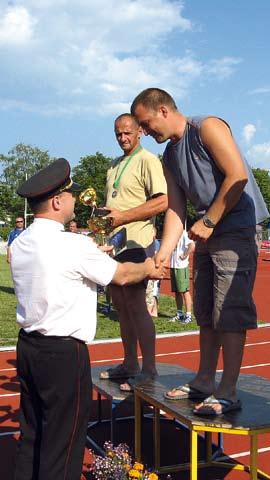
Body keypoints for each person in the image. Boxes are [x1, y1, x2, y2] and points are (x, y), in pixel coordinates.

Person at [11, 158, 164, 480]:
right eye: (70, 196)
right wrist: (149, 267)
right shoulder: (73, 244)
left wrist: (94, 254)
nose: (75, 201)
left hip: (28, 348)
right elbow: (121, 275)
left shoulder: (23, 241)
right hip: (63, 354)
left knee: (33, 434)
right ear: (56, 201)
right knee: (63, 444)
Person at [131, 88, 268, 415]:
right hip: (207, 234)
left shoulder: (207, 127)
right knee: (206, 310)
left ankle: (228, 389)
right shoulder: (169, 157)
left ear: (163, 110)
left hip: (234, 228)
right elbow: (176, 210)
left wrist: (209, 219)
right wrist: (163, 253)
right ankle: (205, 379)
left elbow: (237, 175)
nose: (145, 133)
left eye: (146, 124)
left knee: (230, 312)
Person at [100, 113, 168, 392]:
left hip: (138, 244)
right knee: (120, 306)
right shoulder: (114, 165)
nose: (123, 138)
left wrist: (124, 217)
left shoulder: (148, 160)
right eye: (118, 134)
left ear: (139, 131)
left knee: (138, 306)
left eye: (127, 133)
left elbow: (162, 202)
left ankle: (149, 368)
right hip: (115, 245)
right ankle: (129, 363)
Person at [169, 229, 195, 324]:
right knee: (177, 291)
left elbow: (192, 245)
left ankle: (188, 315)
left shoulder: (183, 233)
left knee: (184, 291)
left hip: (181, 266)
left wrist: (184, 255)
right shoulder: (172, 232)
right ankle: (179, 314)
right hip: (173, 265)